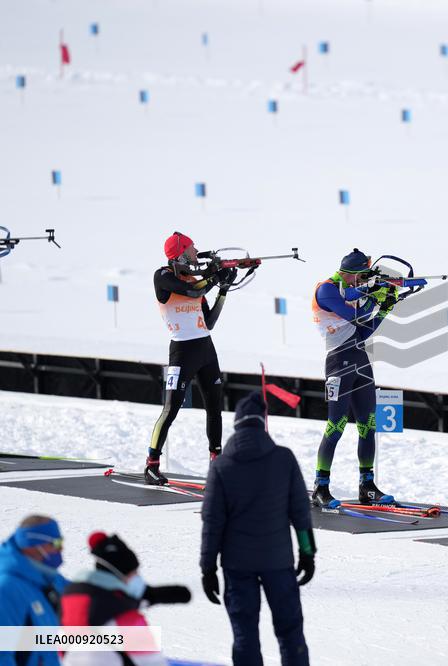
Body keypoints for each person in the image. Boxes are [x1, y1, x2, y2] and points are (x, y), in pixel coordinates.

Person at [201, 392, 316, 666]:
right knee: (290, 632)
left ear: (237, 424)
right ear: (261, 424)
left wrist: (207, 568)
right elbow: (300, 513)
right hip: (278, 562)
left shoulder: (221, 467)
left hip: (237, 566)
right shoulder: (284, 459)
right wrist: (308, 553)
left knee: (245, 635)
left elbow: (212, 523)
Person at [146, 231, 237, 485]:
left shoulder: (193, 279)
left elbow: (208, 323)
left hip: (206, 349)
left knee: (214, 407)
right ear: (181, 252)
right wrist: (214, 276)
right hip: (182, 352)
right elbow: (193, 291)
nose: (196, 252)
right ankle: (151, 464)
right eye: (192, 248)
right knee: (171, 409)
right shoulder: (163, 276)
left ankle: (215, 462)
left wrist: (223, 290)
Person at [309, 248, 398, 508]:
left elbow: (363, 332)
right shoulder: (326, 289)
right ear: (351, 275)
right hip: (338, 363)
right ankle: (320, 486)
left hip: (360, 360)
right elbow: (356, 316)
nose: (364, 282)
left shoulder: (353, 292)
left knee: (368, 425)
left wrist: (386, 307)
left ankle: (367, 486)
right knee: (335, 425)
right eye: (362, 278)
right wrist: (374, 298)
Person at [61, 531, 191, 666]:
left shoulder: (69, 604)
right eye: (134, 573)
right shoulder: (126, 618)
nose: (137, 578)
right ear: (121, 575)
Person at [0, 515, 67, 666]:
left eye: (61, 542)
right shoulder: (7, 589)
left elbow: (79, 596)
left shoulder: (48, 576)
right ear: (32, 545)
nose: (60, 549)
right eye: (55, 543)